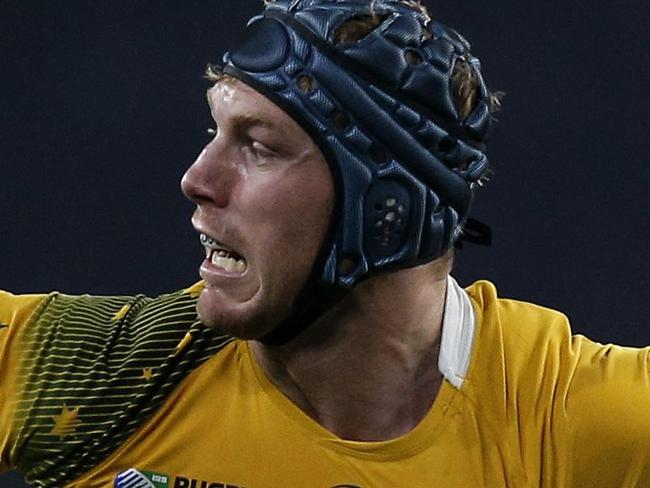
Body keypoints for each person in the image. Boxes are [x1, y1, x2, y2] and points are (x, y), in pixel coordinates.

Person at [1, 0, 648, 487]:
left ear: (384, 211)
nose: (196, 178)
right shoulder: (101, 379)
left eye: (257, 145)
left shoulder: (573, 422)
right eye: (214, 128)